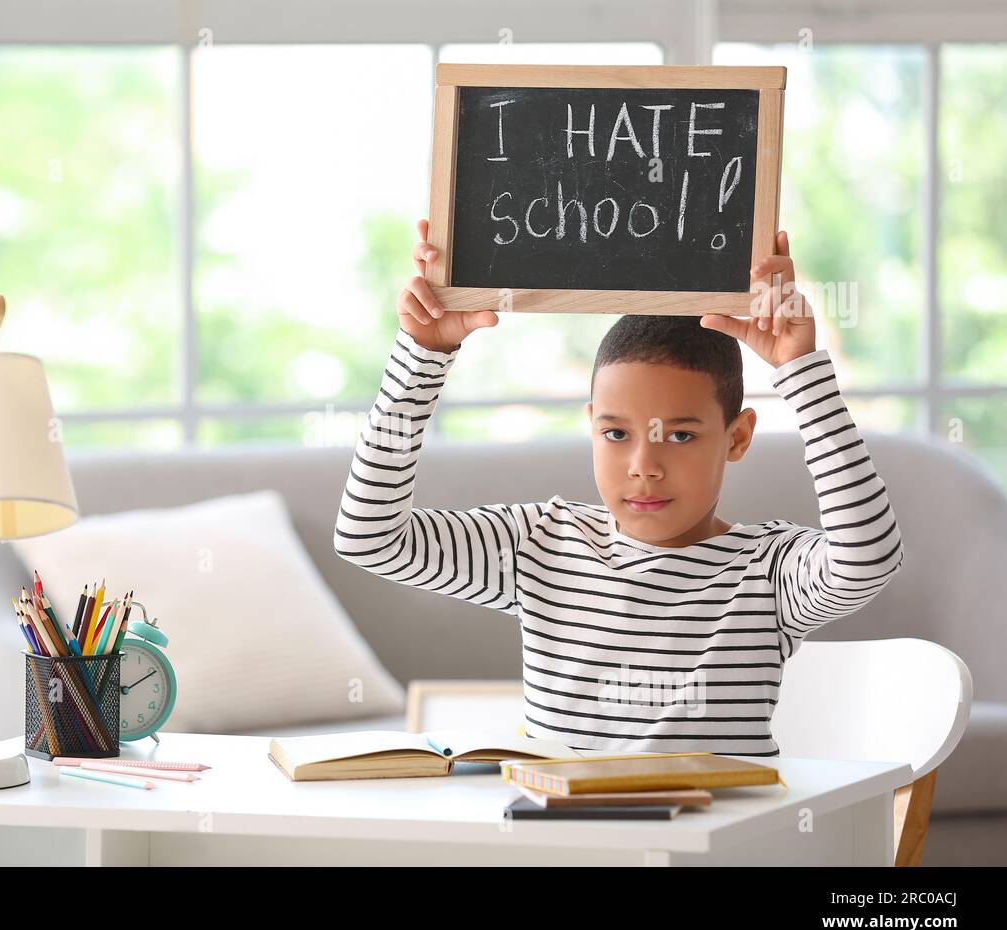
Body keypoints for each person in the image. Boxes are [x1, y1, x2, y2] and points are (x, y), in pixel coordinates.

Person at [333, 219, 904, 756]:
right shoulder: (542, 544)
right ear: (590, 427)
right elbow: (368, 537)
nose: (643, 465)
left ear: (737, 437)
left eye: (679, 436)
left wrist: (800, 371)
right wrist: (424, 357)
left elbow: (867, 559)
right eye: (615, 433)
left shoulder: (768, 572)